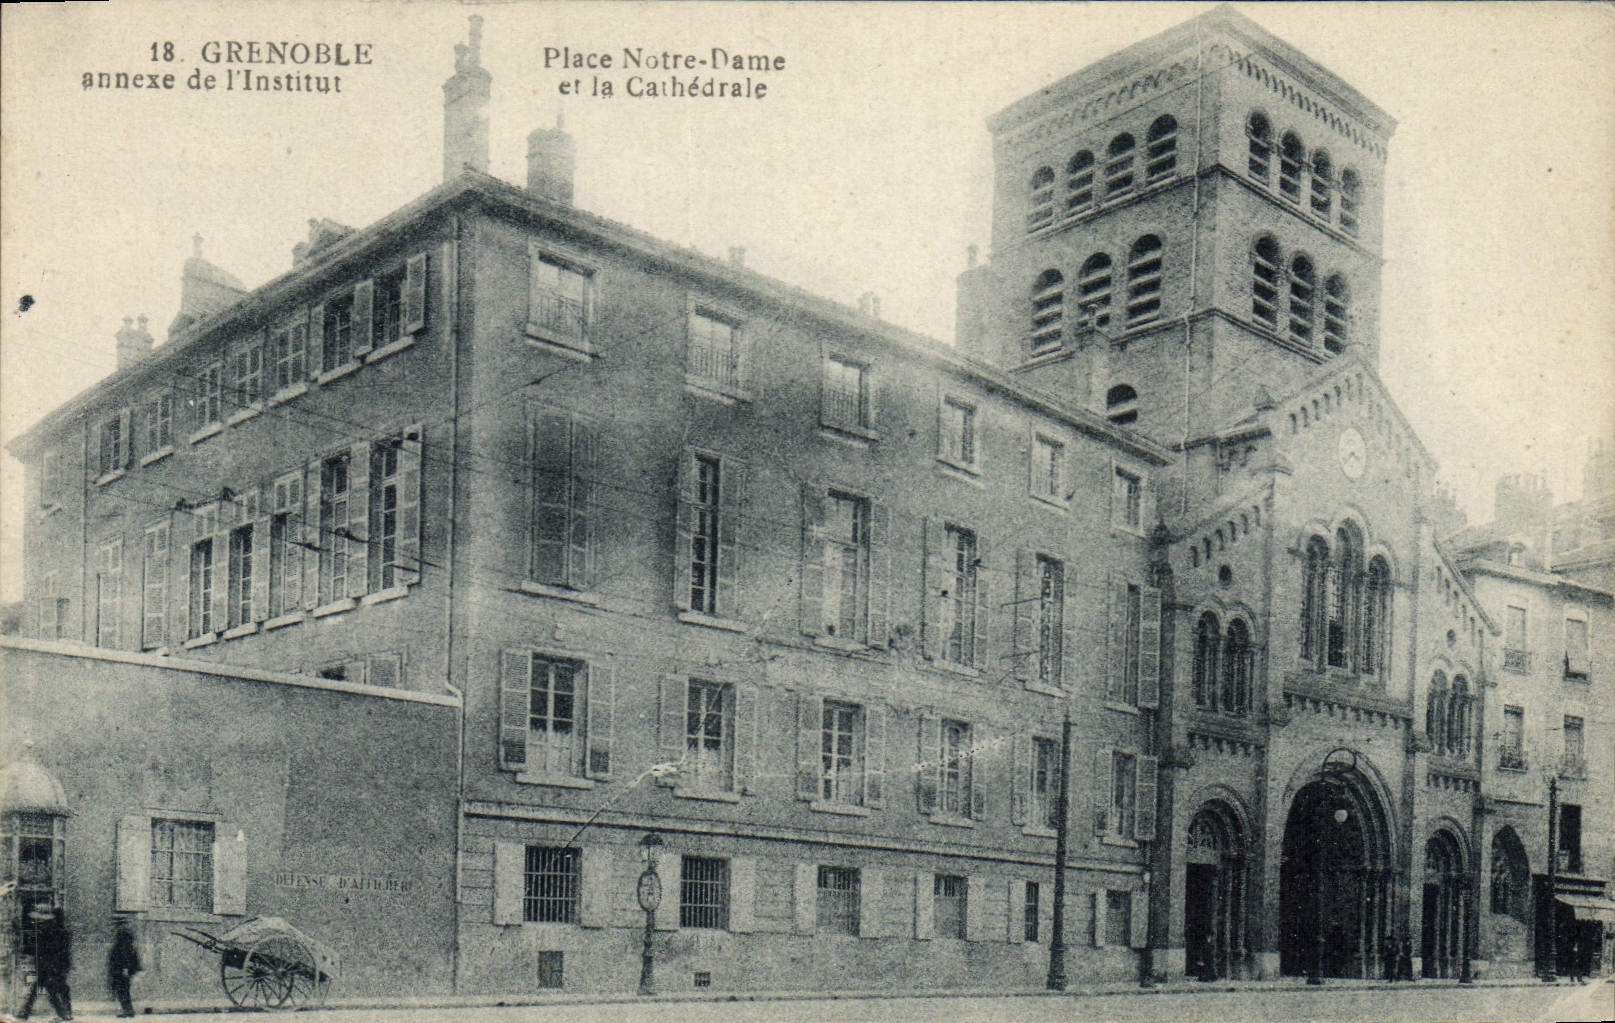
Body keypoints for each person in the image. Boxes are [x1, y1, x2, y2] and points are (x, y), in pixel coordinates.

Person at [19, 905, 72, 1021]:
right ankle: (65, 1012)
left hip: (46, 964)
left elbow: (39, 948)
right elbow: (64, 952)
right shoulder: (64, 931)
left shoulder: (46, 930)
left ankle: (63, 1013)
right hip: (55, 965)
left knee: (49, 989)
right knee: (54, 988)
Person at [107, 916, 141, 1018]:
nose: (114, 927)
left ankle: (128, 1011)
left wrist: (125, 969)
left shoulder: (122, 935)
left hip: (122, 968)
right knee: (123, 990)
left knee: (123, 990)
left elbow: (125, 953)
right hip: (121, 968)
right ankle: (128, 1010)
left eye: (116, 924)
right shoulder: (124, 934)